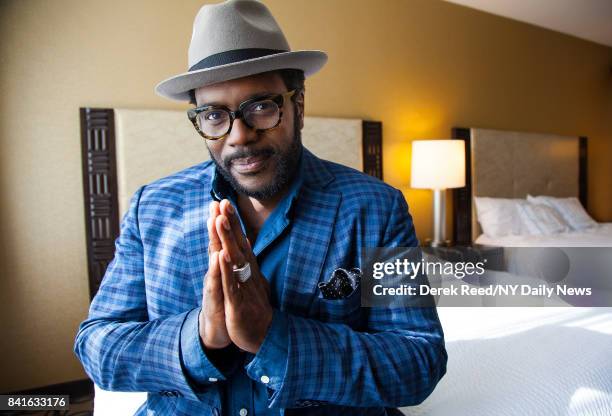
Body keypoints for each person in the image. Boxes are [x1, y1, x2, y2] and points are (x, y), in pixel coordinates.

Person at [74, 1, 447, 415]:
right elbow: (97, 346)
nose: (239, 136)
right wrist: (199, 335)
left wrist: (274, 336)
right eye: (215, 115)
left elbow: (419, 360)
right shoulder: (153, 207)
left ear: (298, 107)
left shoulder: (376, 208)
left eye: (261, 107)